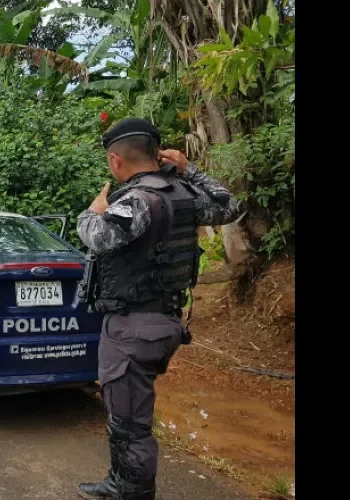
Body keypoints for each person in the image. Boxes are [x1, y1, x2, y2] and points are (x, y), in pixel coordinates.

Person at [74, 118, 241, 500]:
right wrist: (190, 170)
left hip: (132, 326)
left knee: (129, 422)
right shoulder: (184, 195)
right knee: (130, 412)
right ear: (157, 154)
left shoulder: (135, 201)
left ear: (116, 161)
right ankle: (121, 482)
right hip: (164, 320)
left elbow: (98, 238)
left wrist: (92, 210)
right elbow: (229, 206)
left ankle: (131, 491)